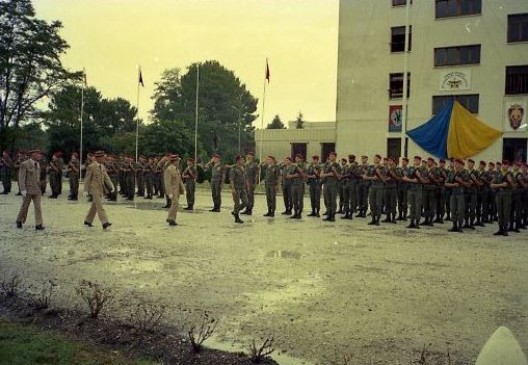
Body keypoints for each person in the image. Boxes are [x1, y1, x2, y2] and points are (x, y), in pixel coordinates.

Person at [83, 151, 114, 229]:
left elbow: (106, 177)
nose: (104, 159)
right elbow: (87, 179)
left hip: (100, 188)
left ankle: (88, 220)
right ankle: (105, 222)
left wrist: (111, 186)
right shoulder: (91, 166)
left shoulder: (102, 166)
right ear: (98, 158)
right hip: (94, 189)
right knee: (100, 206)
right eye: (103, 157)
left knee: (94, 206)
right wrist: (85, 190)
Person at [16, 150, 45, 230]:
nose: (39, 155)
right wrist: (22, 189)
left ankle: (38, 224)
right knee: (25, 207)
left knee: (38, 207)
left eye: (39, 154)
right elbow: (21, 177)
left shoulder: (38, 164)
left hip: (36, 189)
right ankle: (19, 220)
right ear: (33, 155)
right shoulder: (24, 164)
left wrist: (40, 185)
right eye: (38, 154)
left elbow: (37, 177)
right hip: (28, 189)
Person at [445, 158, 469, 233]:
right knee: (453, 210)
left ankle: (460, 226)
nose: (455, 165)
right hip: (453, 193)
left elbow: (468, 184)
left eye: (457, 164)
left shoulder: (465, 172)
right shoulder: (451, 172)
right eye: (454, 163)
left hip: (461, 194)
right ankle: (454, 226)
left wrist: (460, 181)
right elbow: (445, 183)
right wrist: (453, 184)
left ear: (461, 165)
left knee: (460, 210)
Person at [490, 161, 514, 236]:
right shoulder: (497, 174)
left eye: (506, 165)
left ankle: (505, 229)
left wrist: (510, 181)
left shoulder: (510, 174)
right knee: (499, 212)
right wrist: (501, 184)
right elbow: (491, 185)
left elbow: (514, 186)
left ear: (508, 166)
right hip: (499, 194)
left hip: (507, 195)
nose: (504, 166)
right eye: (503, 164)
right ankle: (500, 229)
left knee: (506, 212)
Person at [402, 156, 425, 229]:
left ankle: (417, 223)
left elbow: (421, 180)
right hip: (411, 189)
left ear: (419, 161)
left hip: (418, 190)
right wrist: (412, 180)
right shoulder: (410, 168)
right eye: (414, 160)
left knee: (418, 207)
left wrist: (414, 178)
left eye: (417, 160)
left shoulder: (422, 169)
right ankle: (411, 222)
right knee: (411, 207)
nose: (415, 161)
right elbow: (404, 178)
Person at [363, 154, 385, 226]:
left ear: (379, 159)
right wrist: (372, 178)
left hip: (379, 187)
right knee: (372, 203)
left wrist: (378, 174)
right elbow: (365, 177)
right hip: (372, 187)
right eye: (374, 158)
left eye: (377, 158)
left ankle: (378, 220)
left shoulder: (382, 168)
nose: (375, 159)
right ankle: (373, 219)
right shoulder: (371, 167)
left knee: (378, 204)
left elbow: (383, 179)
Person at [165, 154, 185, 226]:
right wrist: (169, 192)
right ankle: (170, 218)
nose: (179, 162)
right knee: (175, 203)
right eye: (178, 161)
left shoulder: (177, 169)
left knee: (175, 204)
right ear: (174, 161)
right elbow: (167, 182)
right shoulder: (169, 169)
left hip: (177, 189)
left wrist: (183, 188)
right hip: (172, 189)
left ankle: (172, 218)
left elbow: (179, 180)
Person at [320, 151, 341, 222]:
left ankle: (333, 216)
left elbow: (338, 176)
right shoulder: (326, 165)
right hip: (326, 184)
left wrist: (327, 174)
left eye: (332, 156)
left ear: (335, 157)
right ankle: (328, 214)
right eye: (330, 156)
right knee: (327, 200)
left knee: (333, 200)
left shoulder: (337, 165)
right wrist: (329, 174)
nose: (331, 157)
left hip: (333, 184)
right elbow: (321, 175)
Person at [230, 155, 248, 224]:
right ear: (237, 161)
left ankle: (235, 211)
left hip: (242, 187)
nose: (243, 161)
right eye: (241, 160)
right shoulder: (234, 168)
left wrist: (246, 185)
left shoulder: (244, 167)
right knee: (236, 203)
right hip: (236, 187)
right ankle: (237, 218)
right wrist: (233, 189)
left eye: (243, 160)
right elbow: (231, 179)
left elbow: (244, 177)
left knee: (245, 202)